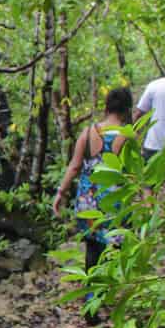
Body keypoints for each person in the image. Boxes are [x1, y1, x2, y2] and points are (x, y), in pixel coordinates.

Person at [52, 86, 133, 275]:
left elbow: (74, 166)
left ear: (107, 107)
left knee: (93, 248)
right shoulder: (128, 136)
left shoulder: (88, 133)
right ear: (127, 109)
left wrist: (60, 193)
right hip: (115, 201)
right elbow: (135, 172)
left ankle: (92, 296)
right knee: (115, 248)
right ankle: (110, 293)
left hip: (88, 201)